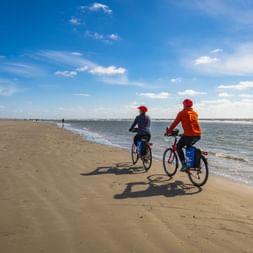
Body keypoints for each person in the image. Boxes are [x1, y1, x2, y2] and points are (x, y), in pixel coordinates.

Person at [165, 99, 201, 171]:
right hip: (198, 135)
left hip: (189, 135)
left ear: (184, 105)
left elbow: (175, 123)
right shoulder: (195, 113)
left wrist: (168, 131)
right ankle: (191, 163)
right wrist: (184, 133)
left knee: (178, 147)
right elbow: (191, 124)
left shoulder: (182, 113)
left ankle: (184, 164)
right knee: (188, 146)